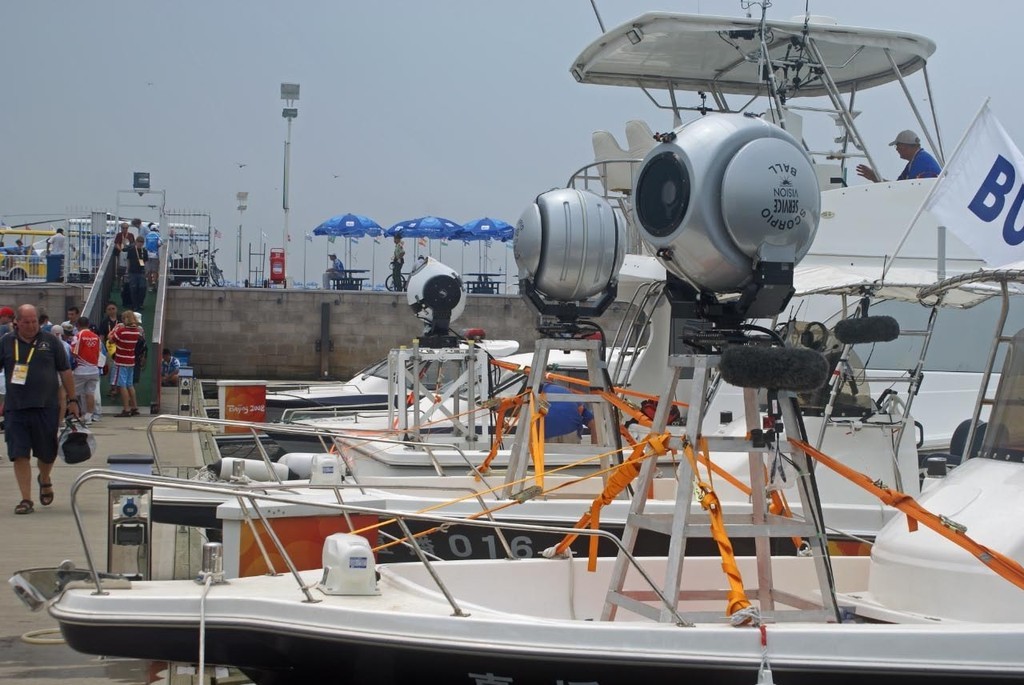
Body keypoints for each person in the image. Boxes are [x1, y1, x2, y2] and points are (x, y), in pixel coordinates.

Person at [0, 304, 80, 514]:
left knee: (47, 453)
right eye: (26, 322)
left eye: (34, 321)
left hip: (46, 407)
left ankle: (44, 479)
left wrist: (73, 400)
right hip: (16, 408)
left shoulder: (50, 341)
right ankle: (26, 499)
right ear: (17, 322)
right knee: (19, 453)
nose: (31, 325)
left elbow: (65, 371)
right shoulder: (6, 343)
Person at [856, 129, 942, 183]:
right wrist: (875, 178)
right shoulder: (916, 160)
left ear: (905, 146)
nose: (896, 149)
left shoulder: (921, 162)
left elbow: (906, 191)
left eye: (897, 146)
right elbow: (897, 186)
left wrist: (875, 178)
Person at [109, 310, 143, 417]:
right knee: (130, 384)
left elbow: (111, 340)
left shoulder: (122, 331)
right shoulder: (137, 331)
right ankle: (134, 407)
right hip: (131, 360)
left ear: (124, 319)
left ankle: (126, 409)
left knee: (122, 385)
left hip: (121, 360)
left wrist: (115, 329)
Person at [72, 316, 102, 424]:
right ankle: (88, 416)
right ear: (88, 324)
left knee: (73, 393)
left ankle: (74, 415)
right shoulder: (96, 337)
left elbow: (74, 352)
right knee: (90, 393)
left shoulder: (78, 336)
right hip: (94, 369)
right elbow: (98, 352)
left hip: (81, 369)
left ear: (78, 325)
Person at [98, 301, 120, 401]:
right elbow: (102, 336)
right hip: (109, 349)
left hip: (120, 348)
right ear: (106, 311)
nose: (111, 311)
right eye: (109, 309)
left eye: (113, 309)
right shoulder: (104, 322)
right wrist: (101, 348)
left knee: (119, 369)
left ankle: (119, 387)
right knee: (111, 369)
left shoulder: (121, 321)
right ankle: (113, 388)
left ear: (116, 309)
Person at [125, 235, 149, 311]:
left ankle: (140, 303)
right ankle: (135, 305)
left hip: (141, 272)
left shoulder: (144, 251)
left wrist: (146, 271)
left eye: (142, 242)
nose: (140, 244)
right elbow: (128, 260)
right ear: (136, 242)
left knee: (142, 288)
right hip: (132, 272)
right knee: (133, 288)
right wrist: (127, 270)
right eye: (139, 242)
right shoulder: (131, 250)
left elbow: (146, 262)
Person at [144, 223, 162, 291]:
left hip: (147, 255)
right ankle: (154, 282)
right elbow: (160, 243)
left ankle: (149, 285)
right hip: (155, 255)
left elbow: (145, 245)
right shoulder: (158, 235)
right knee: (155, 270)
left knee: (149, 271)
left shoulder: (147, 235)